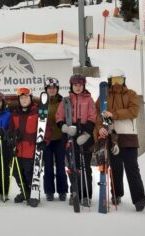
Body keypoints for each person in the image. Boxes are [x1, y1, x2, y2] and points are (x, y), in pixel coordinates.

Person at [95, 69, 145, 212]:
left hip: (128, 135)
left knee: (132, 168)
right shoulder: (104, 96)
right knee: (115, 168)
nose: (117, 84)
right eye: (114, 80)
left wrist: (113, 114)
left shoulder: (131, 94)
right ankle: (116, 194)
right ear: (109, 81)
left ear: (124, 81)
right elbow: (98, 114)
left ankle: (138, 198)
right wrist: (99, 128)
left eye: (120, 80)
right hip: (112, 136)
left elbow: (133, 111)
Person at [56, 74, 96, 207]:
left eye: (80, 85)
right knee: (73, 167)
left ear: (83, 85)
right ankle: (75, 192)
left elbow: (92, 117)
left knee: (85, 167)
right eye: (75, 85)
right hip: (70, 136)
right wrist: (65, 128)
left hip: (85, 136)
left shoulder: (89, 99)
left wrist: (86, 134)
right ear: (71, 86)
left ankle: (86, 194)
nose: (77, 87)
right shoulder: (66, 100)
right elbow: (59, 116)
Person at [7, 87, 51, 205]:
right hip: (18, 149)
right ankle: (24, 192)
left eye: (26, 97)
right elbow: (10, 129)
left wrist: (44, 141)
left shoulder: (36, 112)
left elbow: (46, 128)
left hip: (31, 150)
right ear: (19, 100)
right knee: (16, 172)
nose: (24, 100)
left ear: (30, 98)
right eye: (21, 98)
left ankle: (34, 193)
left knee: (29, 172)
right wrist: (11, 136)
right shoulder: (15, 114)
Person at [43, 78, 68, 202]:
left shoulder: (63, 102)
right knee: (47, 166)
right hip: (46, 139)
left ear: (57, 89)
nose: (51, 90)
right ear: (46, 89)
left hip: (59, 138)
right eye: (49, 88)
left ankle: (62, 191)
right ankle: (49, 191)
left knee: (60, 166)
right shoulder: (42, 102)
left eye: (54, 88)